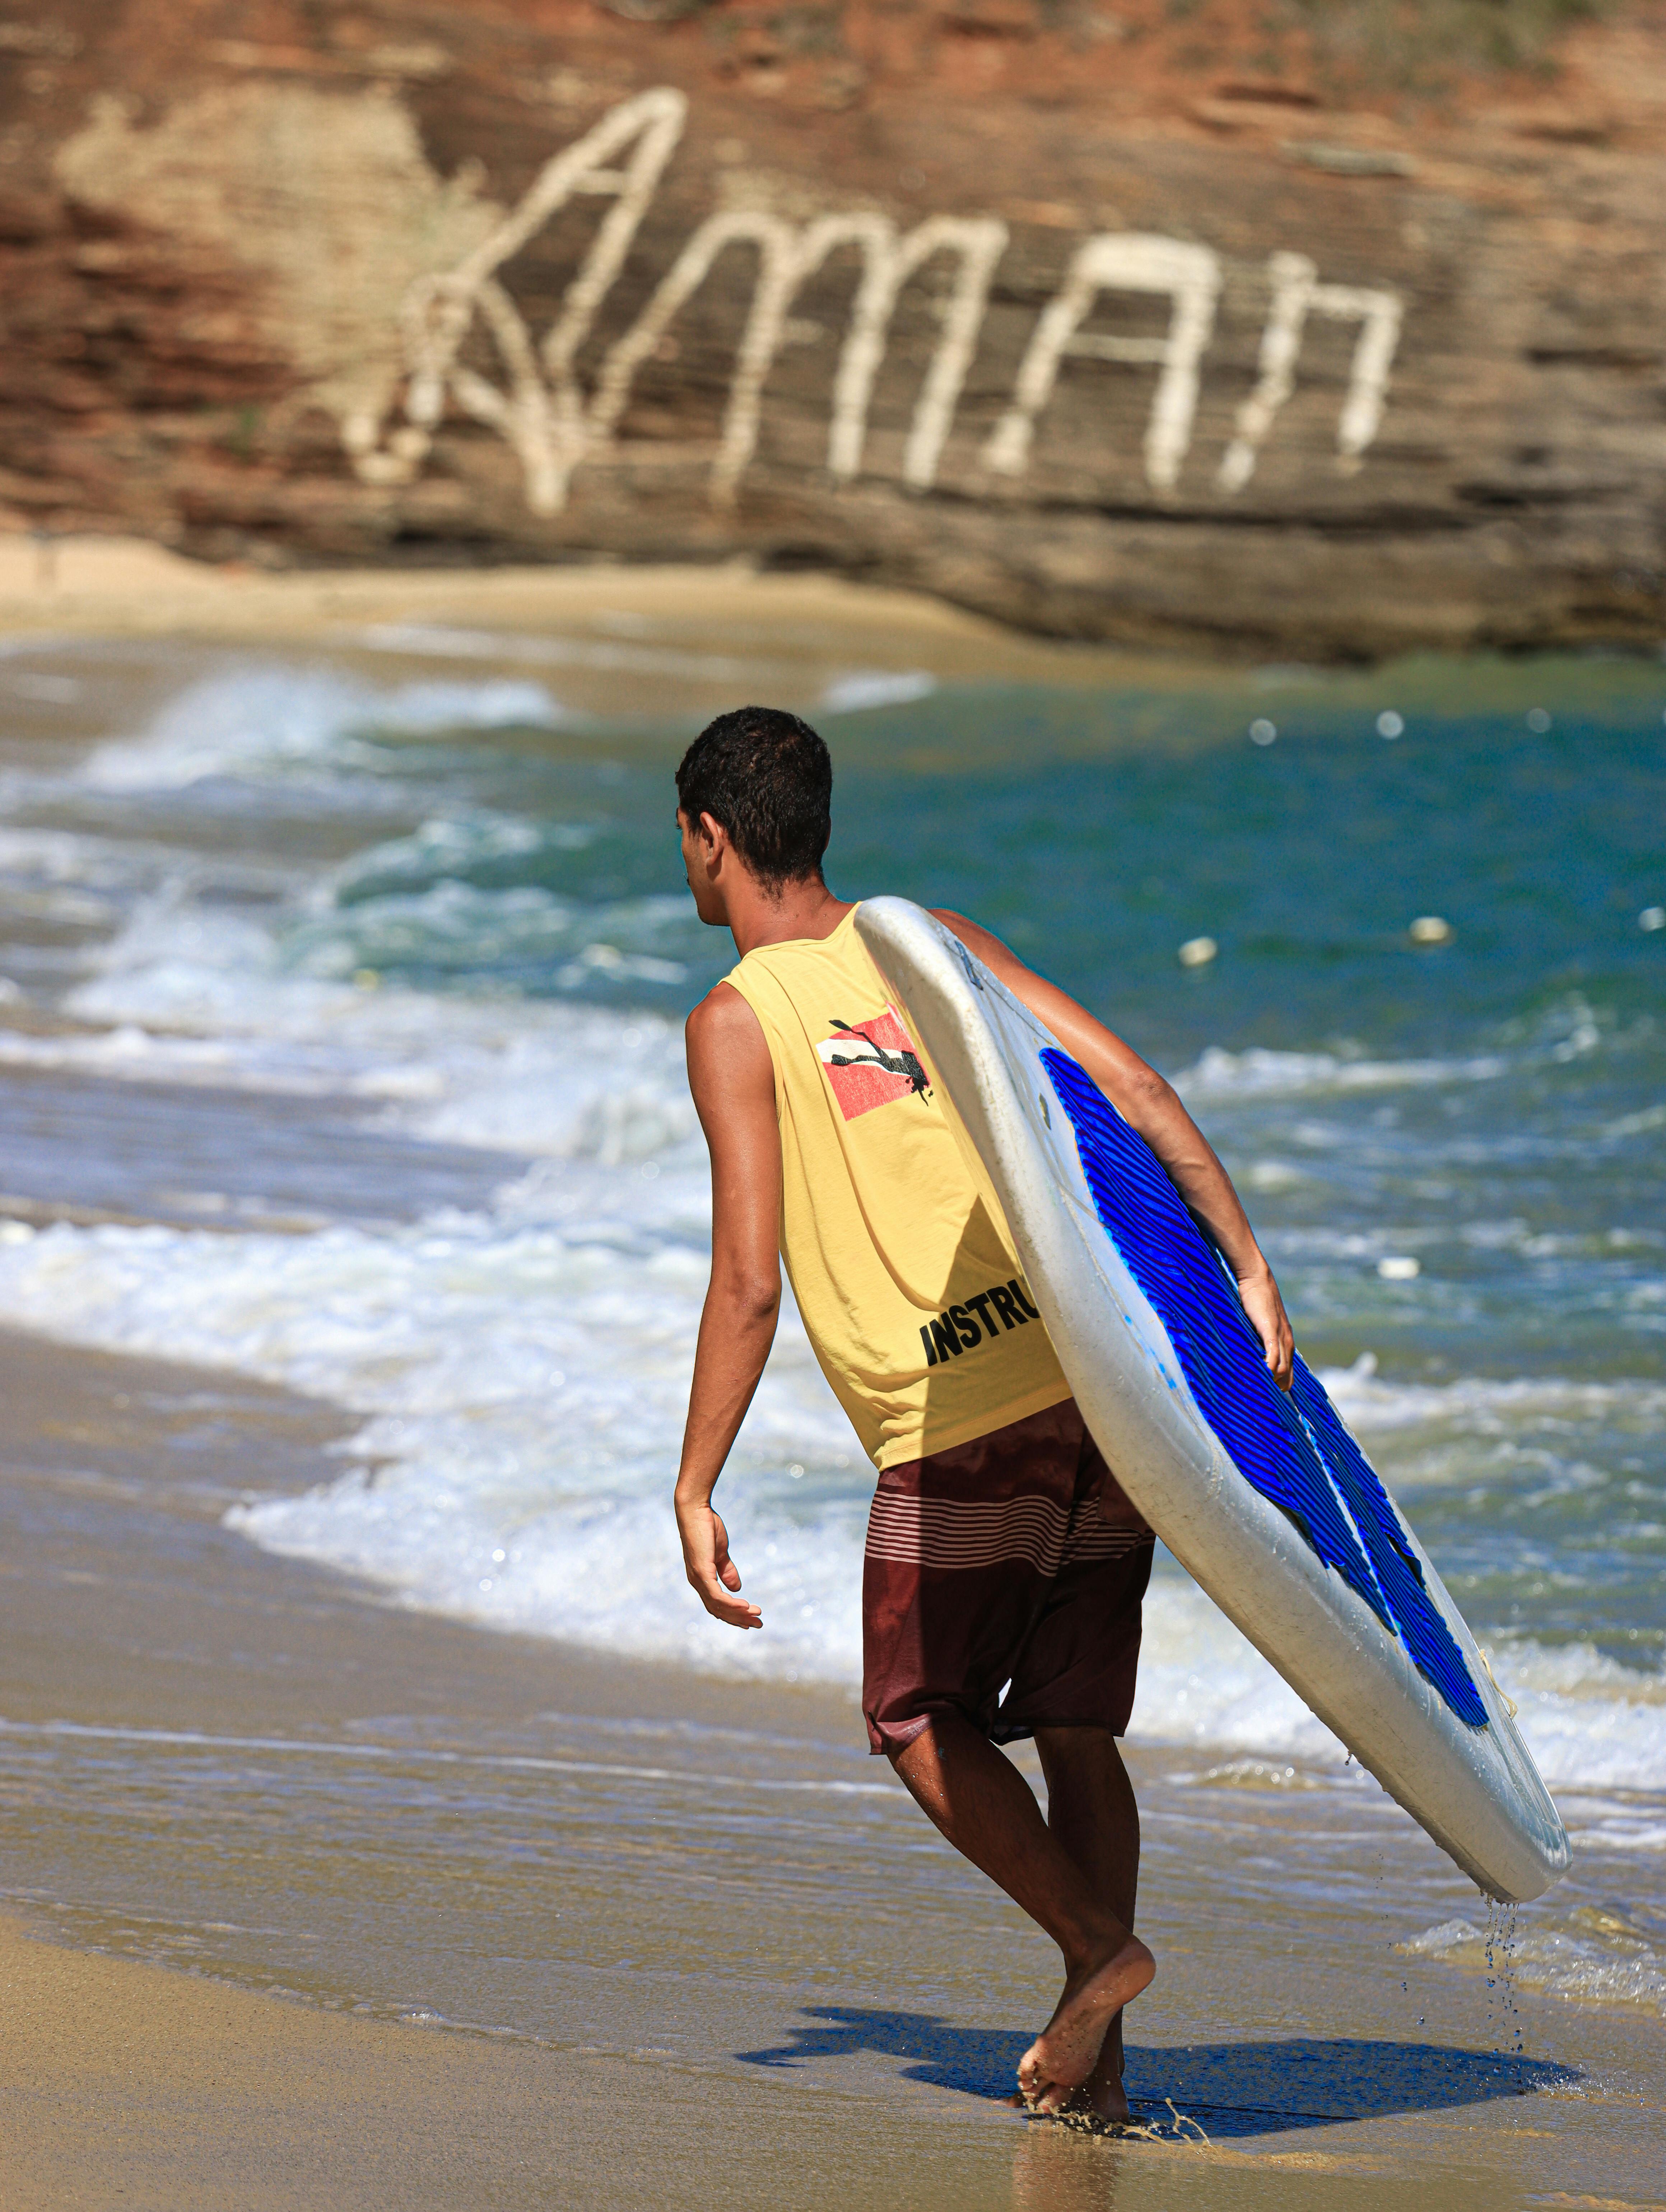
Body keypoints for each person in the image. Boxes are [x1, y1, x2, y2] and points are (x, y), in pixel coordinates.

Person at [672, 705, 1294, 2124]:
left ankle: (1094, 1948)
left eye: (689, 848)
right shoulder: (929, 940)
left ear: (711, 841)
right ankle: (1100, 2079)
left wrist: (696, 1480)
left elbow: (747, 1281)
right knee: (1075, 1726)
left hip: (950, 1408)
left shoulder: (730, 1021)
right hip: (1095, 1383)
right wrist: (1245, 1263)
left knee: (912, 1711)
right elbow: (1128, 1087)